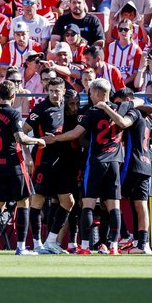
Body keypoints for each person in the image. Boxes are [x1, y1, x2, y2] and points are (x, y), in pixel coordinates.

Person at [44, 78, 140, 255]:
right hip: (114, 163)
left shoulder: (93, 111)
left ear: (96, 93)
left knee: (88, 204)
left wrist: (55, 138)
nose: (90, 95)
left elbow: (76, 134)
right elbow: (129, 115)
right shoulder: (123, 107)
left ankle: (86, 246)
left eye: (91, 92)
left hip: (95, 162)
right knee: (114, 206)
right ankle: (113, 247)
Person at [0, 80, 46, 255]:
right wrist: (38, 140)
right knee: (24, 203)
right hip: (14, 164)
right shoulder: (13, 113)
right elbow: (20, 138)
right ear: (13, 96)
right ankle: (21, 247)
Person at [22, 77, 75, 254]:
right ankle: (37, 244)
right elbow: (23, 132)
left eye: (57, 91)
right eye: (51, 91)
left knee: (68, 202)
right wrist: (28, 154)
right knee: (37, 201)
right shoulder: (40, 109)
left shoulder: (67, 105)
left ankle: (51, 240)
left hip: (62, 163)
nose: (53, 94)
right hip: (43, 161)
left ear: (62, 91)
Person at [112, 87, 152, 254]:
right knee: (140, 204)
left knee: (109, 198)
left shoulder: (133, 113)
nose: (116, 107)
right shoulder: (147, 117)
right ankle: (143, 244)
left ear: (126, 100)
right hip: (146, 164)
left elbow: (123, 123)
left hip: (132, 163)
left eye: (118, 103)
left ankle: (125, 236)